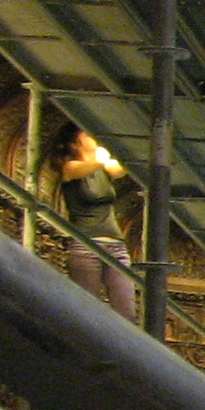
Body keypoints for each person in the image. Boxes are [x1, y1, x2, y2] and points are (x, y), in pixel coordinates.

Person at [42, 123, 137, 321]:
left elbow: (120, 169)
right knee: (88, 309)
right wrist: (101, 157)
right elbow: (84, 168)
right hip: (86, 245)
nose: (95, 138)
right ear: (75, 144)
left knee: (126, 311)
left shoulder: (103, 168)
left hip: (116, 246)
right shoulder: (71, 167)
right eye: (88, 135)